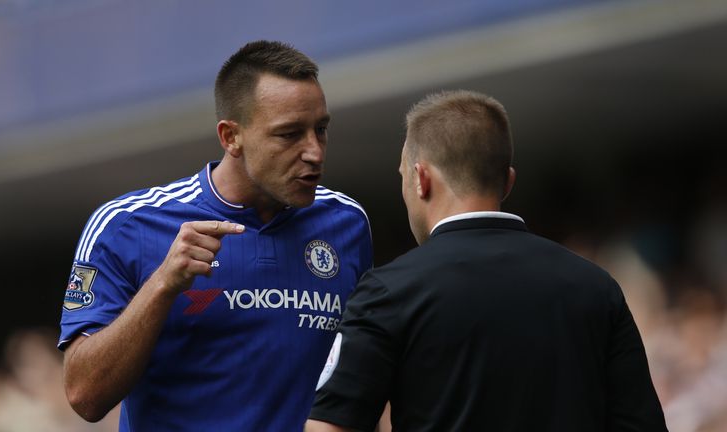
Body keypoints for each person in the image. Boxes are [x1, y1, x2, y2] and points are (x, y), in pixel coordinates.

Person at [306, 90, 668, 431]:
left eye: (403, 176)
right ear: (507, 182)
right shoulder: (596, 286)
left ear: (421, 179)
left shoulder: (388, 291)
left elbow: (330, 426)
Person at [58, 40, 373, 431]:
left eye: (321, 129)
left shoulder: (347, 223)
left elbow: (360, 382)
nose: (315, 152)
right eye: (289, 134)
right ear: (231, 137)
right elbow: (84, 396)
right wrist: (162, 284)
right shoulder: (126, 225)